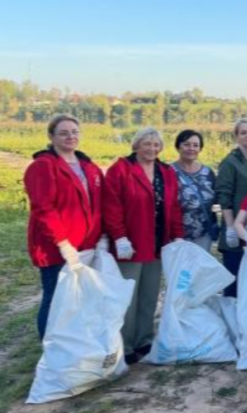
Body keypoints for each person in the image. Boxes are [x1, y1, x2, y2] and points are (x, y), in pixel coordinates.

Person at [103, 127, 184, 364]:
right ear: (136, 145)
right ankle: (126, 344)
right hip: (131, 244)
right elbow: (111, 206)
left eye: (156, 144)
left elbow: (174, 206)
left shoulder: (166, 172)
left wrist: (177, 236)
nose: (151, 148)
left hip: (158, 243)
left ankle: (144, 340)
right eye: (146, 143)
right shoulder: (121, 170)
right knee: (129, 297)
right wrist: (119, 237)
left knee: (149, 296)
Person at [24, 114, 106, 341]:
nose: (70, 136)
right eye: (64, 132)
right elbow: (43, 208)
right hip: (57, 248)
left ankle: (72, 345)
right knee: (56, 299)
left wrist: (102, 236)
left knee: (79, 299)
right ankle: (51, 350)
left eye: (74, 132)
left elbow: (99, 203)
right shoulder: (43, 166)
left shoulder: (88, 166)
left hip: (87, 245)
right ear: (51, 136)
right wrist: (62, 243)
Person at [215, 118, 247, 297]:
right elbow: (224, 196)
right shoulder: (230, 162)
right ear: (236, 137)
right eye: (244, 132)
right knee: (234, 281)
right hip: (237, 228)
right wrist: (230, 227)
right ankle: (231, 320)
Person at [172, 129, 217, 252]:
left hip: (204, 234)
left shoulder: (207, 172)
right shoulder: (169, 172)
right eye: (186, 144)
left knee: (201, 270)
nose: (191, 148)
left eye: (195, 145)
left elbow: (217, 199)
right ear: (178, 147)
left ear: (200, 149)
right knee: (181, 271)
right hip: (178, 235)